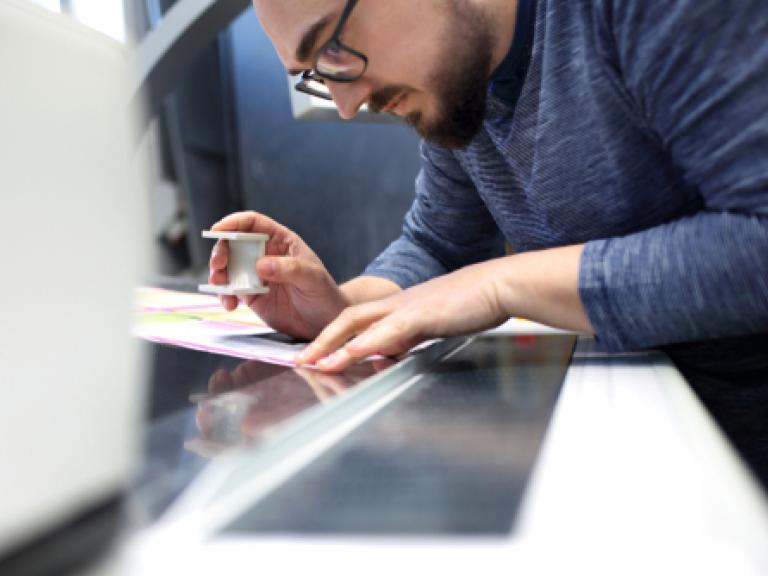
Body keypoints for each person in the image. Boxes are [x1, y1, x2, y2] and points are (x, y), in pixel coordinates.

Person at [208, 0, 768, 483]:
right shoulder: (463, 80)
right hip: (639, 442)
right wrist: (344, 309)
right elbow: (439, 246)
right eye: (315, 75)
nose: (348, 104)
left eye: (333, 48)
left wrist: (502, 283)